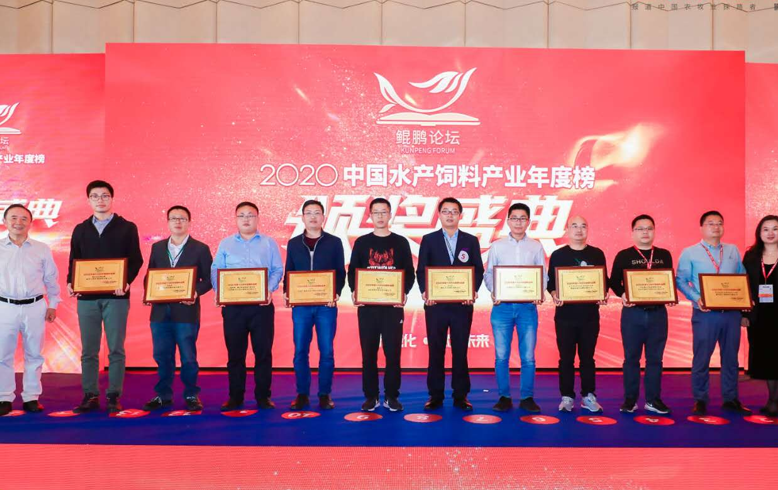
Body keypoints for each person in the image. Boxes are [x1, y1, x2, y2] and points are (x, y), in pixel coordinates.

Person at [68, 180, 143, 413]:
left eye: (104, 196)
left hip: (116, 297)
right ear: (88, 200)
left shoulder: (127, 227)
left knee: (116, 349)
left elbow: (136, 259)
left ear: (112, 198)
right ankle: (90, 395)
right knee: (88, 350)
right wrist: (72, 282)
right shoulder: (80, 229)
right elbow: (74, 259)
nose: (100, 200)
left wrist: (126, 282)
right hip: (87, 298)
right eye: (95, 196)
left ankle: (113, 395)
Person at [676, 210, 751, 415]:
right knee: (702, 357)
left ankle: (731, 398)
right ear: (701, 228)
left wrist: (744, 304)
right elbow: (680, 280)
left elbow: (741, 277)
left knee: (731, 358)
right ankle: (700, 399)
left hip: (731, 314)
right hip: (705, 313)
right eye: (711, 223)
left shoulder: (732, 250)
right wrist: (696, 298)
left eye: (719, 223)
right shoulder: (690, 252)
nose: (716, 227)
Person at [211, 201, 283, 411]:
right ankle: (235, 397)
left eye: (250, 215)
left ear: (257, 218)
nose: (246, 219)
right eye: (241, 215)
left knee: (263, 354)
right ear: (235, 219)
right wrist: (219, 292)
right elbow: (216, 269)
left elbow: (277, 269)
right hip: (234, 308)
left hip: (261, 307)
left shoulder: (269, 243)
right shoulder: (225, 244)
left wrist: (268, 289)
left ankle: (263, 396)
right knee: (235, 355)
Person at [141, 206, 213, 413]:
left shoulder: (200, 248)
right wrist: (149, 292)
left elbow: (209, 279)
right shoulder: (157, 247)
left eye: (182, 218)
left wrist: (195, 292)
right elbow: (150, 275)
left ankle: (191, 394)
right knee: (161, 355)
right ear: (168, 222)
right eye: (173, 218)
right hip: (159, 312)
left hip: (186, 312)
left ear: (189, 222)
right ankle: (163, 395)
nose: (178, 222)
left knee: (188, 357)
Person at [348, 198, 415, 412]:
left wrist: (403, 293)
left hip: (392, 309)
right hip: (368, 309)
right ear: (370, 216)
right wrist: (355, 291)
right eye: (376, 212)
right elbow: (353, 271)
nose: (380, 216)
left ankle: (392, 396)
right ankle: (371, 396)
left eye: (383, 212)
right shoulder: (362, 243)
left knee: (393, 354)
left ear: (390, 215)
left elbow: (409, 273)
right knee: (368, 354)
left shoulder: (401, 242)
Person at [417, 197, 484, 411]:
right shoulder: (429, 240)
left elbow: (478, 270)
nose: (450, 215)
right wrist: (426, 292)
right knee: (436, 350)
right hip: (435, 305)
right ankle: (435, 395)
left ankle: (460, 395)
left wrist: (471, 291)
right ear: (439, 215)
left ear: (460, 215)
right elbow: (421, 270)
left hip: (461, 305)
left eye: (454, 211)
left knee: (460, 350)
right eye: (445, 211)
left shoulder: (470, 241)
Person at [483, 202, 545, 413]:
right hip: (502, 308)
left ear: (528, 221)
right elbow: (489, 274)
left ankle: (527, 397)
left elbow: (542, 274)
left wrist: (539, 292)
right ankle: (504, 396)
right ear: (508, 221)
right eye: (514, 218)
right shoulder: (497, 246)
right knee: (502, 356)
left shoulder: (536, 246)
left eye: (522, 218)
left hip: (527, 308)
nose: (518, 222)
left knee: (528, 357)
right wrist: (494, 291)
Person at [284, 200, 345, 411]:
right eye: (308, 213)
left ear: (323, 217)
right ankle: (302, 394)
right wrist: (288, 293)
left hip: (326, 306)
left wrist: (335, 293)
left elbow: (340, 271)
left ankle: (324, 394)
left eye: (317, 213)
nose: (313, 217)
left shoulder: (334, 242)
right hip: (301, 306)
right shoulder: (294, 243)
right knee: (300, 350)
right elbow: (289, 271)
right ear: (302, 217)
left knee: (326, 351)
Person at [0, 204, 60, 416]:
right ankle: (4, 397)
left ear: (30, 223)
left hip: (35, 306)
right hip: (4, 306)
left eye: (24, 218)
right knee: (2, 354)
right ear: (5, 221)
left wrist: (53, 304)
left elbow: (51, 279)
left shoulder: (41, 249)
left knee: (34, 353)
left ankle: (31, 397)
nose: (18, 222)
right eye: (13, 218)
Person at [609, 214, 673, 414]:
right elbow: (614, 281)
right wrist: (623, 294)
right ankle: (630, 400)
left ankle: (653, 400)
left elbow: (667, 280)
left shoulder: (664, 254)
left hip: (658, 314)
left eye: (649, 228)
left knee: (655, 359)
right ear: (633, 232)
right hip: (632, 313)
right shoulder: (624, 255)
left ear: (654, 231)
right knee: (631, 358)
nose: (645, 232)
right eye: (640, 228)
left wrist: (669, 294)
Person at [547, 215, 608, 413]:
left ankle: (588, 396)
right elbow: (551, 282)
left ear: (587, 229)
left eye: (583, 226)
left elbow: (603, 280)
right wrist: (555, 294)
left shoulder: (597, 254)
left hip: (590, 316)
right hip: (565, 316)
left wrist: (603, 293)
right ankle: (567, 397)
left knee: (587, 358)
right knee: (566, 358)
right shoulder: (558, 255)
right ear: (567, 230)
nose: (579, 230)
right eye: (574, 226)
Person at [742, 215, 778, 416]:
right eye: (766, 229)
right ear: (759, 233)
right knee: (767, 358)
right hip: (760, 316)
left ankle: (774, 401)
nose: (770, 233)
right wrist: (743, 312)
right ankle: (772, 399)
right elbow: (743, 286)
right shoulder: (751, 257)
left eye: (775, 229)